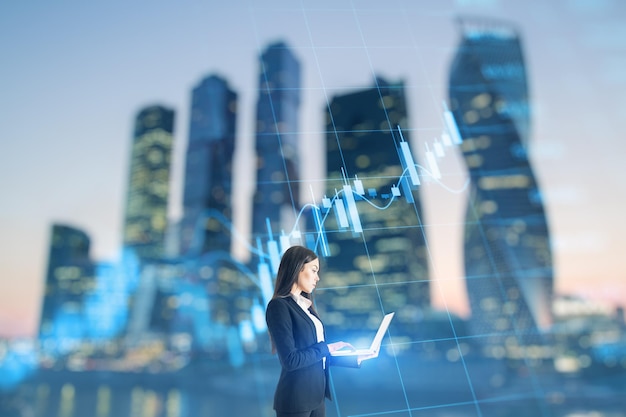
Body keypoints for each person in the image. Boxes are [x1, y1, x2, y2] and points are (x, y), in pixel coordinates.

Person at [265, 245, 376, 417]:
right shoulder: (279, 306)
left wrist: (355, 358)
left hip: (317, 398)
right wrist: (327, 347)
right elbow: (291, 360)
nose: (317, 278)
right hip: (295, 401)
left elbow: (317, 357)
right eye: (314, 270)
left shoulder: (306, 307)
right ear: (298, 269)